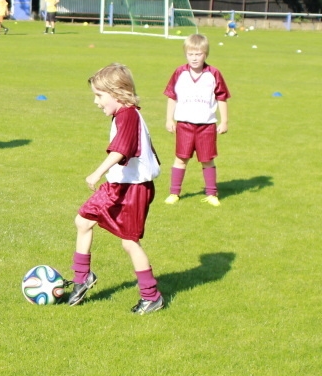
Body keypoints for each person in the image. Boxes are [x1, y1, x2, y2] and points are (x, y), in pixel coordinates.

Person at [67, 63, 166, 314]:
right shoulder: (123, 114)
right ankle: (81, 279)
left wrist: (97, 172)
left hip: (133, 189)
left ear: (117, 92)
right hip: (117, 186)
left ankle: (151, 296)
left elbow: (122, 149)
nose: (96, 101)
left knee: (129, 243)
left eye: (100, 95)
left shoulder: (128, 115)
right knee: (83, 221)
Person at [163, 34, 230, 206]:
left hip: (206, 125)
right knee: (180, 158)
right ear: (186, 54)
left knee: (207, 159)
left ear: (205, 54)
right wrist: (169, 119)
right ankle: (174, 193)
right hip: (184, 124)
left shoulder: (213, 73)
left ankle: (211, 194)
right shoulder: (179, 73)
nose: (194, 58)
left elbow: (222, 97)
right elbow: (172, 96)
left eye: (198, 54)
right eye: (191, 54)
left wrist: (224, 121)